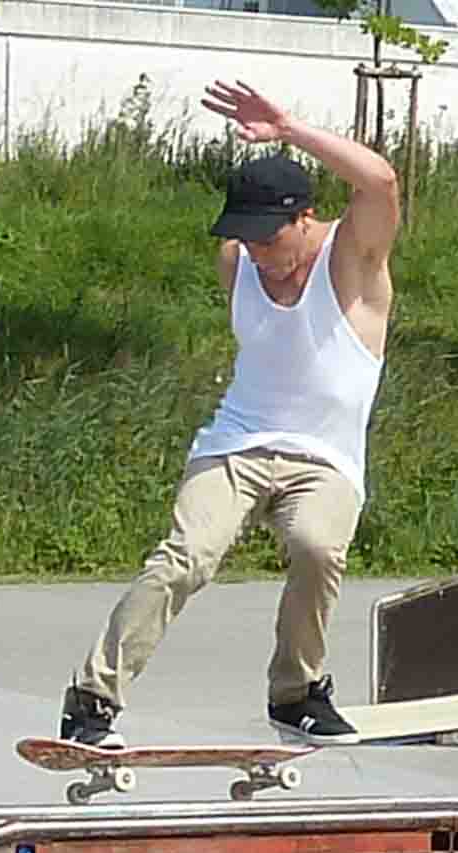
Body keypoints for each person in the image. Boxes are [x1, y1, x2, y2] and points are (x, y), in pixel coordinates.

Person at [60, 79, 399, 747]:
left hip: (325, 459)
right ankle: (92, 700)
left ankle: (296, 692)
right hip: (236, 444)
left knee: (316, 548)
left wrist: (290, 129)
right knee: (184, 558)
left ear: (305, 219)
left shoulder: (353, 260)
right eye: (246, 240)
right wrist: (249, 247)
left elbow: (380, 182)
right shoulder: (235, 259)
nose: (258, 256)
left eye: (269, 241)